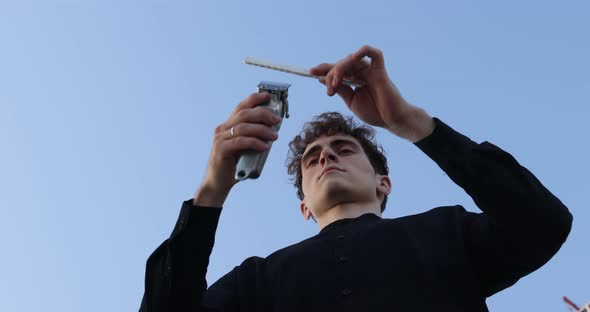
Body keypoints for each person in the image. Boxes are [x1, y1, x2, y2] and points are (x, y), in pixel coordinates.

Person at [139, 45, 572, 311]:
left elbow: (543, 223)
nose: (326, 155)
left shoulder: (446, 233)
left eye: (343, 149)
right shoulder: (258, 281)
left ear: (384, 184)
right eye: (312, 158)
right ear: (303, 206)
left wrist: (412, 124)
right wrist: (211, 191)